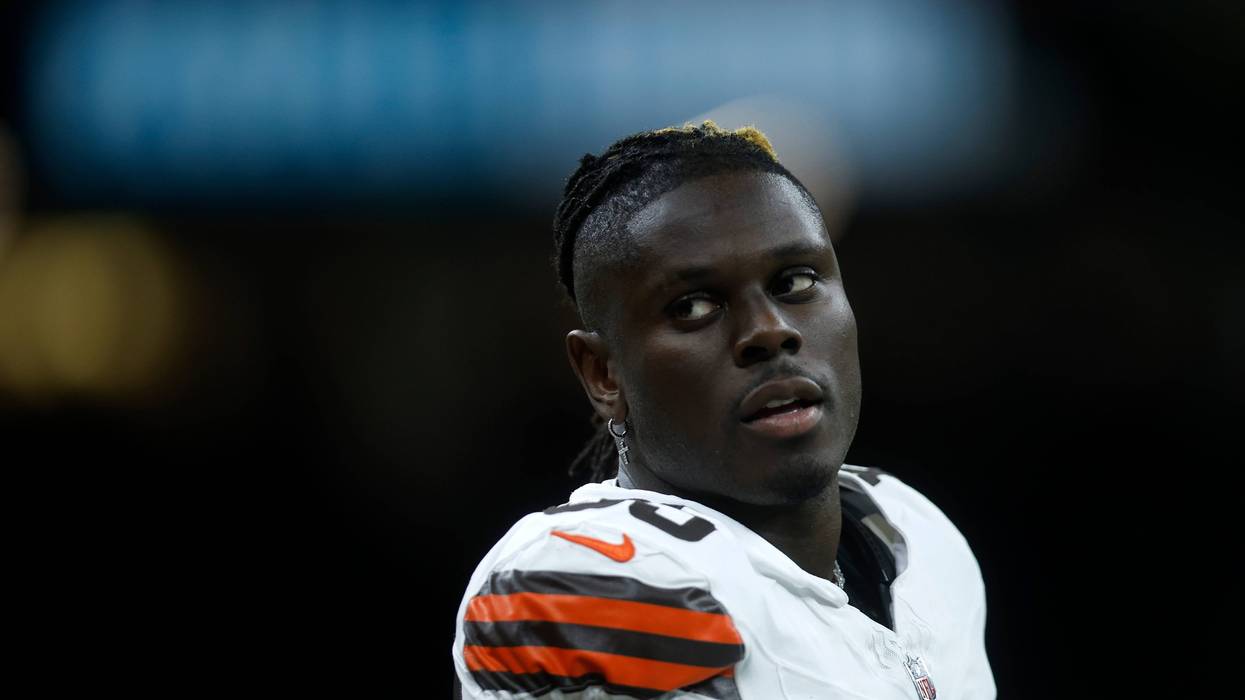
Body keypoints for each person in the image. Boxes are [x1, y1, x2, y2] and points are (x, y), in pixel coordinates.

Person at [451, 121, 995, 699]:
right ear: (603, 373)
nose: (770, 331)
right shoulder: (585, 579)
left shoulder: (914, 528)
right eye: (693, 306)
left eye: (797, 280)